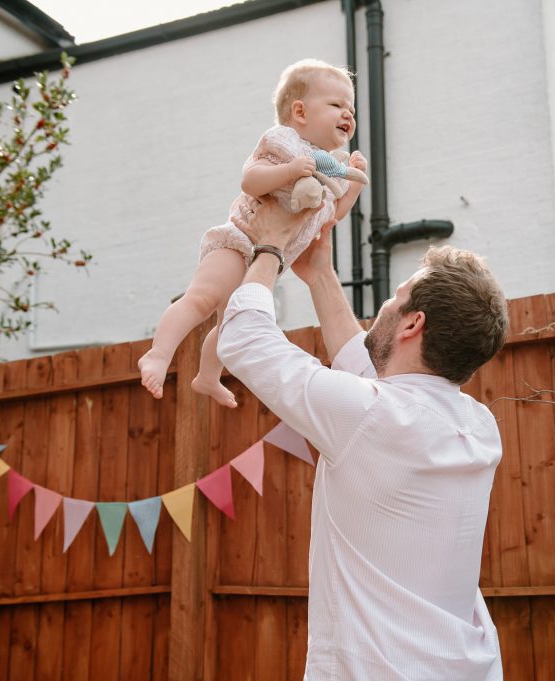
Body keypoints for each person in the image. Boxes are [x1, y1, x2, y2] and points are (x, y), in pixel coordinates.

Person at [216, 198, 508, 680]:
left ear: (414, 323)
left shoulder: (370, 416)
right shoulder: (478, 426)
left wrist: (267, 247)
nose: (387, 305)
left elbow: (244, 338)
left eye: (396, 296)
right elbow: (370, 377)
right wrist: (320, 274)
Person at [138, 59, 367, 408]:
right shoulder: (283, 144)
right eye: (336, 105)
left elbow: (330, 215)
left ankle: (208, 377)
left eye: (350, 107)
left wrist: (350, 187)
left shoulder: (328, 167)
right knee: (203, 299)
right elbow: (250, 179)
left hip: (266, 261)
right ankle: (157, 353)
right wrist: (289, 170)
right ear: (300, 112)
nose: (347, 113)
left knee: (231, 324)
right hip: (238, 242)